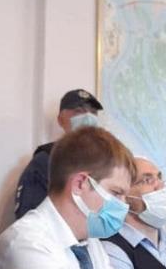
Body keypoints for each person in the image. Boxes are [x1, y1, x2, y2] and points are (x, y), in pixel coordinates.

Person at [0, 125, 134, 269]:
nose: (124, 205)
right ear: (80, 184)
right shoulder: (28, 243)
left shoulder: (91, 244)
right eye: (116, 193)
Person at [13, 88, 103, 219]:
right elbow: (30, 219)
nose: (88, 117)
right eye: (79, 111)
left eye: (93, 112)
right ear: (60, 120)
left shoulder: (108, 161)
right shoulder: (47, 161)